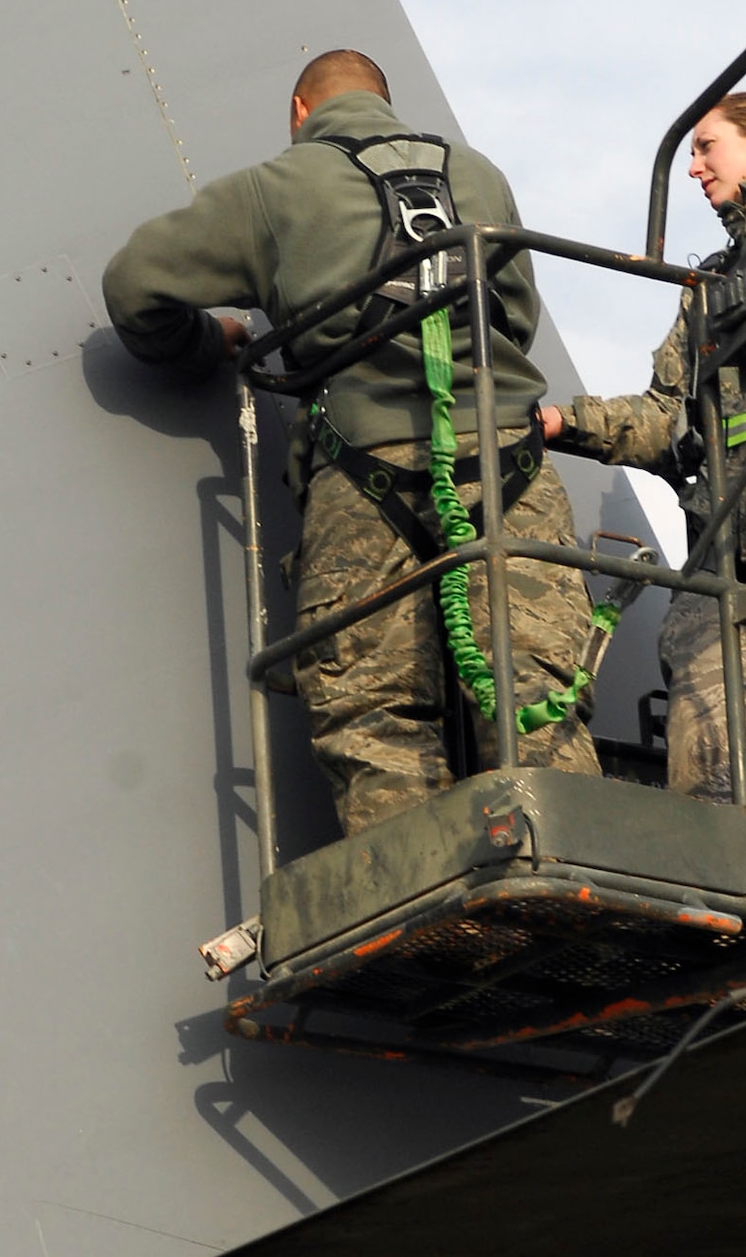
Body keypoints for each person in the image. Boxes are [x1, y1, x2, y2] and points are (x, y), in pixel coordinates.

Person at [103, 48, 599, 836]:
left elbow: (134, 284)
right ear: (386, 102)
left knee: (374, 715)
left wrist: (207, 343)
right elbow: (516, 317)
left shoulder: (276, 187)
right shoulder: (480, 174)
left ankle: (421, 908)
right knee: (534, 691)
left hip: (367, 481)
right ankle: (561, 866)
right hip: (511, 468)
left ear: (302, 114)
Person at [543, 92, 746, 812]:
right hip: (729, 549)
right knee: (702, 685)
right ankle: (728, 895)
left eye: (706, 146)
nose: (692, 168)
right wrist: (561, 421)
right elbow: (665, 418)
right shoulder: (707, 287)